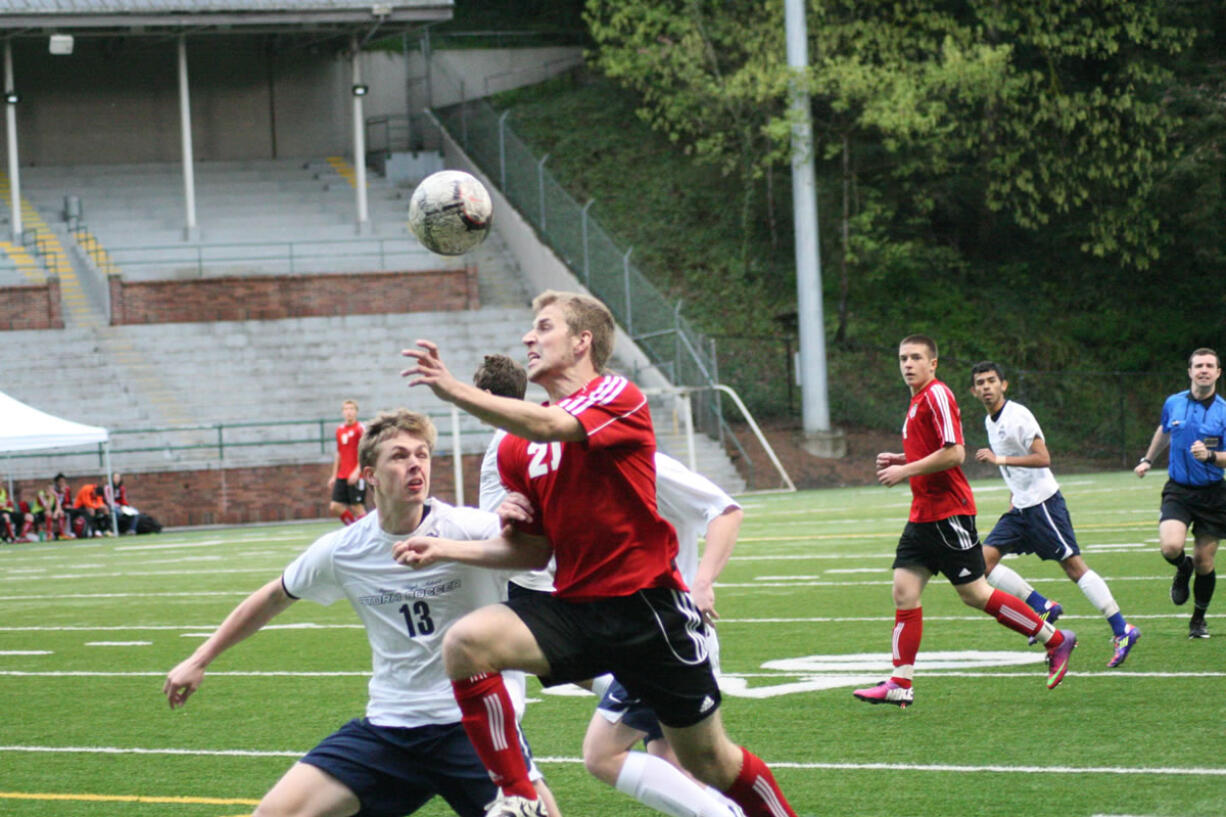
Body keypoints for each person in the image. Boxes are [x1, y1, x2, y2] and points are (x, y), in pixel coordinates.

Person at [397, 290, 797, 817]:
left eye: (543, 327)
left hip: (649, 612)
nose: (527, 338)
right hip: (577, 609)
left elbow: (549, 425)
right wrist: (452, 544)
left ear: (583, 341)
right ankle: (519, 798)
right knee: (467, 644)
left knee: (711, 764)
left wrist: (451, 389)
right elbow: (532, 555)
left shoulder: (617, 395)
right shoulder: (516, 447)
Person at [163, 408, 550, 817]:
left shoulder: (469, 529)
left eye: (422, 454)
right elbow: (274, 596)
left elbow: (537, 554)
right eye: (399, 456)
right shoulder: (345, 549)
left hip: (472, 730)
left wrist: (527, 515)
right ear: (369, 476)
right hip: (391, 728)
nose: (415, 464)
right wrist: (199, 658)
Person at [474, 354, 746, 817]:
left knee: (632, 757)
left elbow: (726, 509)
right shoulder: (557, 460)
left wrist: (703, 584)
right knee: (667, 764)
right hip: (630, 625)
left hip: (664, 629)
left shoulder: (638, 460)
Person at [854, 335, 1078, 708]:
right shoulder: (916, 401)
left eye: (915, 358)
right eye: (902, 358)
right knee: (904, 590)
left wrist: (906, 469)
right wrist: (902, 458)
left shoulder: (937, 394)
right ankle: (900, 682)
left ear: (933, 363)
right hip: (923, 514)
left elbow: (955, 452)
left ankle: (1055, 640)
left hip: (948, 513)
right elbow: (933, 448)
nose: (907, 364)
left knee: (976, 594)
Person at [970, 361, 1140, 666]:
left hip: (1043, 505)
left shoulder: (1018, 415)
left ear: (1003, 385)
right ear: (973, 390)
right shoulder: (989, 421)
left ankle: (1122, 628)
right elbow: (1013, 468)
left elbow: (1043, 458)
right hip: (1021, 507)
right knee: (981, 563)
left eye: (991, 381)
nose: (986, 387)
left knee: (1074, 568)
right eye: (980, 382)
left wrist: (999, 459)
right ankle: (1042, 605)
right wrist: (1012, 494)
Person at [1134, 347, 1226, 639]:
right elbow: (1164, 431)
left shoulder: (1224, 411)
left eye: (1210, 365)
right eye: (1198, 365)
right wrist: (1148, 459)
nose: (1204, 370)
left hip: (1213, 494)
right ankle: (1181, 567)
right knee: (1171, 547)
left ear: (1218, 373)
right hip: (1178, 490)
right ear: (1190, 371)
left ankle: (1198, 619)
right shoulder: (1173, 402)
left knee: (1205, 561)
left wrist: (1211, 457)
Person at [329, 399, 367, 526]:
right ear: (342, 412)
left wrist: (357, 471)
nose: (349, 412)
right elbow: (339, 453)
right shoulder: (340, 430)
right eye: (346, 409)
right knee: (335, 506)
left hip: (357, 475)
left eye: (351, 409)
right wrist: (334, 476)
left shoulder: (360, 429)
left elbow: (365, 452)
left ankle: (367, 533)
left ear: (356, 412)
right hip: (342, 475)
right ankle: (354, 530)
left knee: (357, 507)